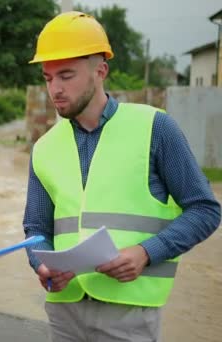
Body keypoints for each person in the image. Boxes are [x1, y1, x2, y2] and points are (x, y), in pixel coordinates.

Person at [23, 11, 221, 342]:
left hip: (129, 312)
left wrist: (147, 252)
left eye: (66, 75)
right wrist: (41, 265)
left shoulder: (156, 128)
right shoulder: (44, 148)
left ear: (100, 71)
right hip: (64, 311)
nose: (54, 89)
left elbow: (205, 209)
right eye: (47, 77)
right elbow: (37, 229)